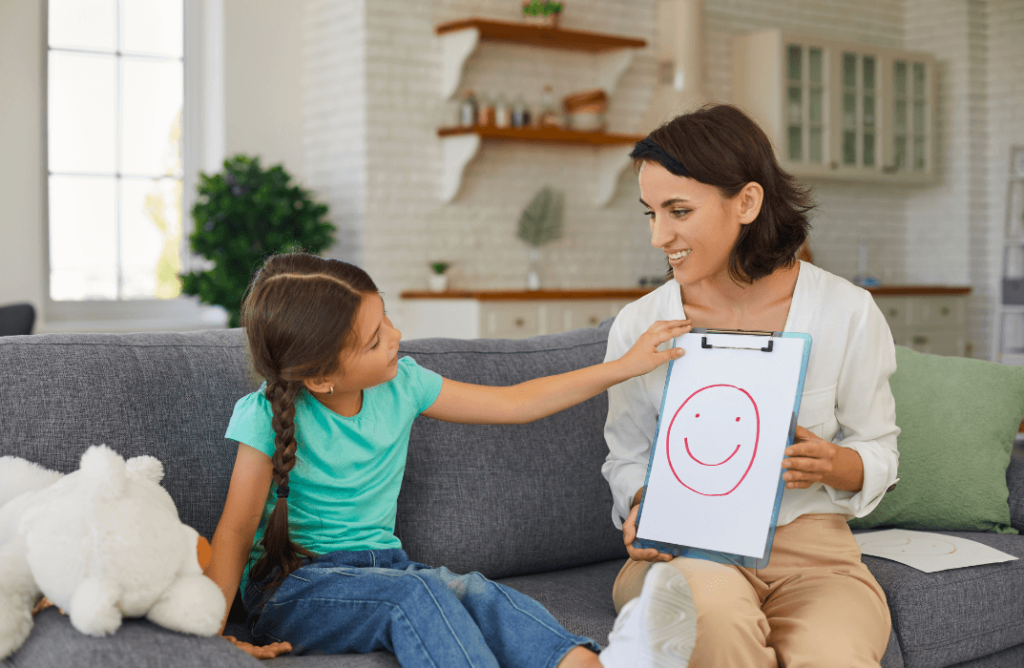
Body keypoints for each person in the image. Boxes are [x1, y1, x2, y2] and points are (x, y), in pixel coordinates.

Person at [205, 252, 692, 668]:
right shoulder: (264, 416)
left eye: (386, 318)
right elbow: (235, 530)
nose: (395, 336)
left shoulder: (404, 383)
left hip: (388, 569)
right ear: (320, 377)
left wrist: (623, 367)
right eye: (374, 340)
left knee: (475, 590)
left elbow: (514, 403)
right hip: (296, 590)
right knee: (416, 594)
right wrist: (213, 629)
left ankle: (588, 662)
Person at [602, 103, 900, 667]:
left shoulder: (846, 311)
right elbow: (626, 458)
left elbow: (879, 449)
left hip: (817, 558)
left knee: (832, 656)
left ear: (747, 201)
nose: (658, 236)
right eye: (650, 213)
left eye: (679, 211)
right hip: (684, 551)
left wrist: (833, 462)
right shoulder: (640, 326)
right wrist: (644, 501)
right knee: (714, 621)